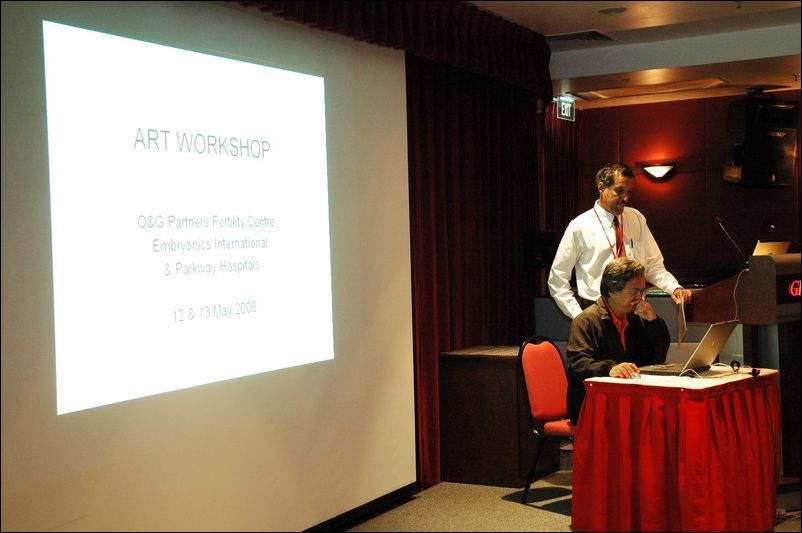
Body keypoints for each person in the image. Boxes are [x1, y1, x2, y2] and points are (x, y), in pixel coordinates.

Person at [548, 162, 692, 320]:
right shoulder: (579, 226)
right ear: (601, 188)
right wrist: (580, 317)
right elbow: (557, 280)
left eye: (629, 192)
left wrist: (674, 288)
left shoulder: (636, 218)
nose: (626, 198)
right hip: (597, 312)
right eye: (620, 191)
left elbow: (653, 266)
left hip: (636, 311)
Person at [566, 257, 670, 424]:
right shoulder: (586, 320)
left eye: (642, 291)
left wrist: (653, 323)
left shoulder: (635, 318)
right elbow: (577, 364)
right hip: (592, 407)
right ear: (612, 290)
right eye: (634, 292)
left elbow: (655, 359)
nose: (640, 298)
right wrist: (610, 368)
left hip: (627, 402)